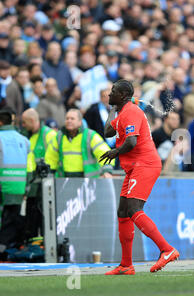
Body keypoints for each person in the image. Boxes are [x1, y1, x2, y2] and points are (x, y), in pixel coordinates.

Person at [100, 79, 179, 275]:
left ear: (123, 95)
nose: (109, 94)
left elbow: (132, 141)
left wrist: (115, 152)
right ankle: (126, 265)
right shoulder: (123, 112)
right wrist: (113, 108)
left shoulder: (132, 111)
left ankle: (167, 250)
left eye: (113, 92)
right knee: (123, 212)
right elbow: (108, 131)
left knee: (134, 209)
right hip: (134, 168)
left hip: (145, 165)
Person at [44, 108, 114, 178]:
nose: (69, 121)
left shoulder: (90, 136)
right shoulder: (59, 137)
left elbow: (103, 152)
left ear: (80, 122)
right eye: (67, 118)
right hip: (65, 182)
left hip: (88, 182)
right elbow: (51, 157)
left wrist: (107, 170)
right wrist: (49, 173)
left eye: (72, 119)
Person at [21, 108, 57, 241]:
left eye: (24, 122)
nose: (22, 125)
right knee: (32, 219)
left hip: (47, 186)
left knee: (46, 219)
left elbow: (54, 160)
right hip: (34, 186)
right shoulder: (29, 135)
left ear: (32, 120)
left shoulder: (48, 134)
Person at [0, 108, 30, 257]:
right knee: (14, 218)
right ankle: (10, 247)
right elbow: (30, 166)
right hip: (19, 186)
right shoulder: (24, 140)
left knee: (4, 220)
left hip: (3, 187)